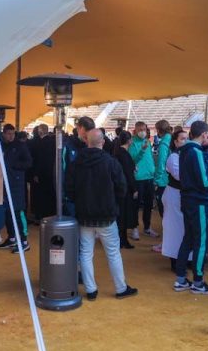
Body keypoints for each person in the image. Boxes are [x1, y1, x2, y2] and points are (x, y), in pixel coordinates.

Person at [65, 129, 137, 300]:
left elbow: (69, 189)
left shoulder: (76, 163)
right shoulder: (110, 162)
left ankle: (91, 290)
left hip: (84, 215)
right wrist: (113, 203)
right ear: (103, 142)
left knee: (86, 252)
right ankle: (120, 288)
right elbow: (122, 187)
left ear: (86, 141)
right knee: (113, 252)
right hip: (107, 215)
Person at [174, 121, 208, 294]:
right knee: (201, 241)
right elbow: (204, 181)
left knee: (189, 238)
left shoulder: (184, 151)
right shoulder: (195, 152)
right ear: (204, 134)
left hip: (187, 199)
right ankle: (198, 281)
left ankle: (181, 278)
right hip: (198, 201)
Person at [0, 124, 33, 253]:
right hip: (3, 183)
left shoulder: (20, 146)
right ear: (3, 134)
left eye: (13, 134)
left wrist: (12, 166)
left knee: (18, 211)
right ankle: (12, 238)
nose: (11, 136)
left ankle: (24, 241)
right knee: (7, 212)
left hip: (16, 184)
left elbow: (29, 162)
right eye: (8, 134)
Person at [161, 130, 188, 269]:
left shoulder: (187, 155)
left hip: (184, 195)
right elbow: (178, 176)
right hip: (174, 194)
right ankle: (175, 260)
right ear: (176, 142)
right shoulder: (173, 157)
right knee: (174, 229)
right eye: (182, 138)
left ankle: (185, 258)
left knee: (184, 229)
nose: (185, 141)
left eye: (187, 138)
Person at [128, 121, 157, 239]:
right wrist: (142, 150)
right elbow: (133, 159)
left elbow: (150, 158)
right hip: (138, 178)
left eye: (144, 129)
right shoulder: (132, 143)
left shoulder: (148, 142)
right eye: (140, 130)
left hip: (149, 177)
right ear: (135, 130)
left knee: (149, 204)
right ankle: (134, 227)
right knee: (136, 204)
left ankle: (147, 227)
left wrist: (153, 173)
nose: (142, 132)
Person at [113, 131, 137, 249]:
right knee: (123, 215)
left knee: (121, 215)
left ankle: (122, 239)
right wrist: (134, 188)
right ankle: (122, 240)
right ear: (129, 141)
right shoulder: (123, 154)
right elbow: (128, 174)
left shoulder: (119, 153)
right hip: (125, 188)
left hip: (121, 187)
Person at [30, 124, 56, 220]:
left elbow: (39, 160)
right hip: (50, 172)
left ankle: (41, 215)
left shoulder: (39, 143)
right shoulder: (53, 142)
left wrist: (36, 173)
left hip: (41, 173)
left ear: (40, 131)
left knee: (40, 195)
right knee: (49, 194)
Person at [153, 120, 173, 220]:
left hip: (163, 180)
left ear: (159, 130)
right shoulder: (173, 140)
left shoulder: (164, 144)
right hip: (173, 178)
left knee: (163, 207)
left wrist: (156, 180)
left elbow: (161, 163)